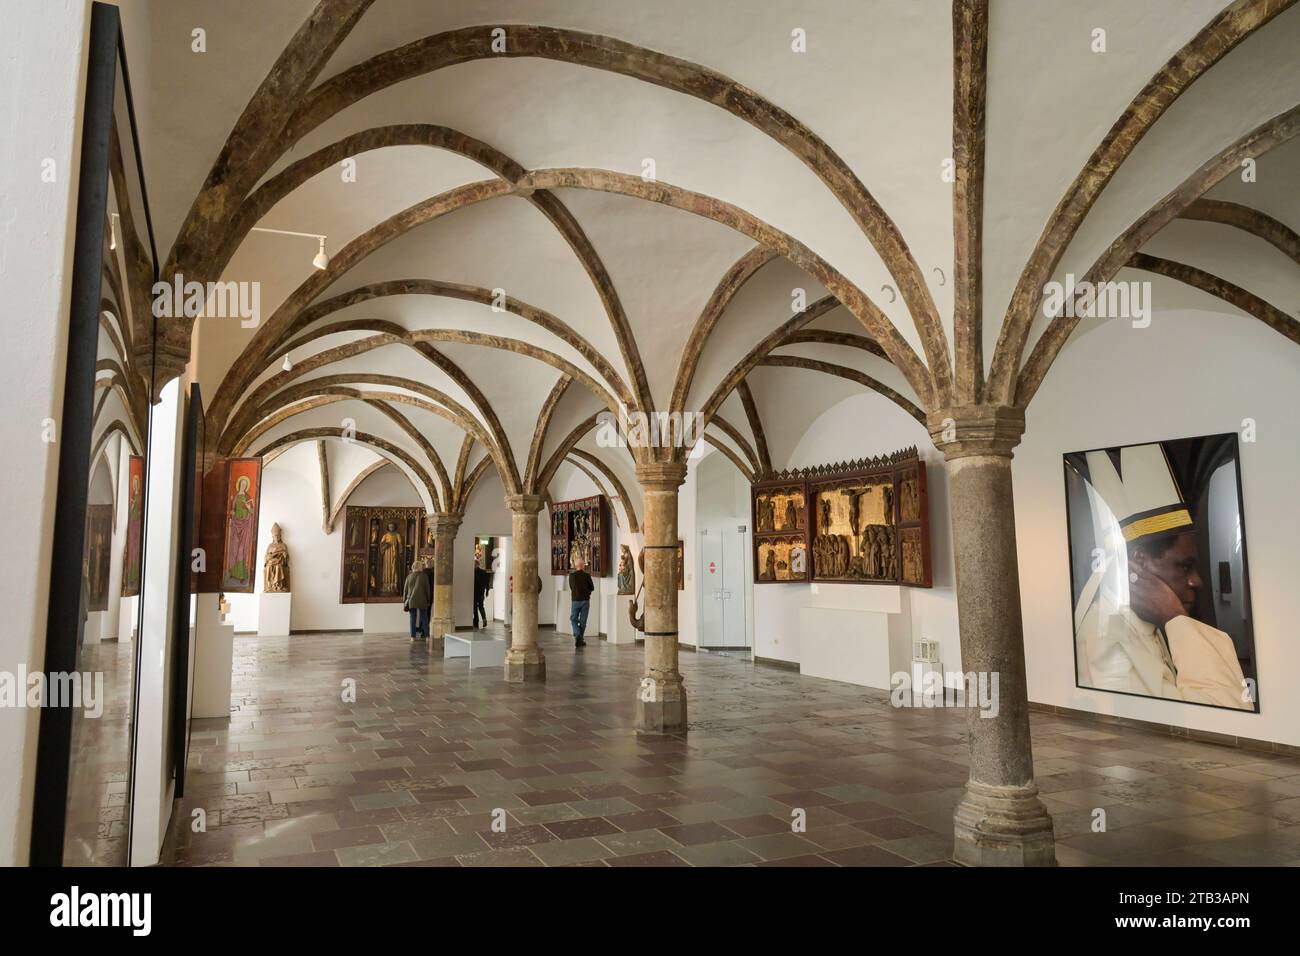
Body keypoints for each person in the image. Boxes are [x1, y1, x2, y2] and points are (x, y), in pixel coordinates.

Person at [1074, 443, 1251, 710]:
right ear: (1138, 563)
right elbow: (1215, 715)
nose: (1197, 581)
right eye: (1184, 567)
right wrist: (1175, 617)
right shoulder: (1107, 640)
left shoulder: (1143, 623)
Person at [568, 556, 595, 649]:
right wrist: (587, 592)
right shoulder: (587, 575)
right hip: (585, 601)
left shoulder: (572, 576)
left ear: (575, 566)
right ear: (583, 565)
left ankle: (578, 636)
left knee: (573, 619)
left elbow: (571, 587)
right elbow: (592, 587)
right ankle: (580, 638)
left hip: (575, 600)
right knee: (583, 621)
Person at [403, 559, 431, 641]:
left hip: (411, 600)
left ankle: (412, 637)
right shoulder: (424, 576)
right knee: (424, 618)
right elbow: (427, 590)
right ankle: (427, 636)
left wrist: (404, 601)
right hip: (423, 600)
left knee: (413, 618)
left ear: (413, 567)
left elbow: (405, 591)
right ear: (420, 567)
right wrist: (428, 600)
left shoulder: (409, 576)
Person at [473, 562, 491, 628]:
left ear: (477, 564)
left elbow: (486, 582)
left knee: (476, 607)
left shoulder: (474, 572)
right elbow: (487, 583)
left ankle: (477, 622)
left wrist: (487, 591)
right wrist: (487, 591)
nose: (474, 566)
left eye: (474, 564)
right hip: (479, 592)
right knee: (479, 607)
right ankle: (481, 620)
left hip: (476, 592)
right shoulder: (483, 572)